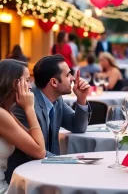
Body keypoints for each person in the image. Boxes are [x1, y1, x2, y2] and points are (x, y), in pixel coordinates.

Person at [5, 55, 91, 183]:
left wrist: (82, 99)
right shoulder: (24, 104)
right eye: (68, 75)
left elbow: (78, 126)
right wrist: (70, 162)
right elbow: (34, 151)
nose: (73, 79)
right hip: (24, 177)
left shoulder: (57, 100)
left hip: (47, 170)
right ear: (54, 82)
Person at [0, 60, 46, 193]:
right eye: (27, 80)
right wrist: (29, 109)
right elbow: (39, 151)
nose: (30, 86)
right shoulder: (1, 115)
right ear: (15, 84)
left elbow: (32, 139)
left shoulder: (6, 112)